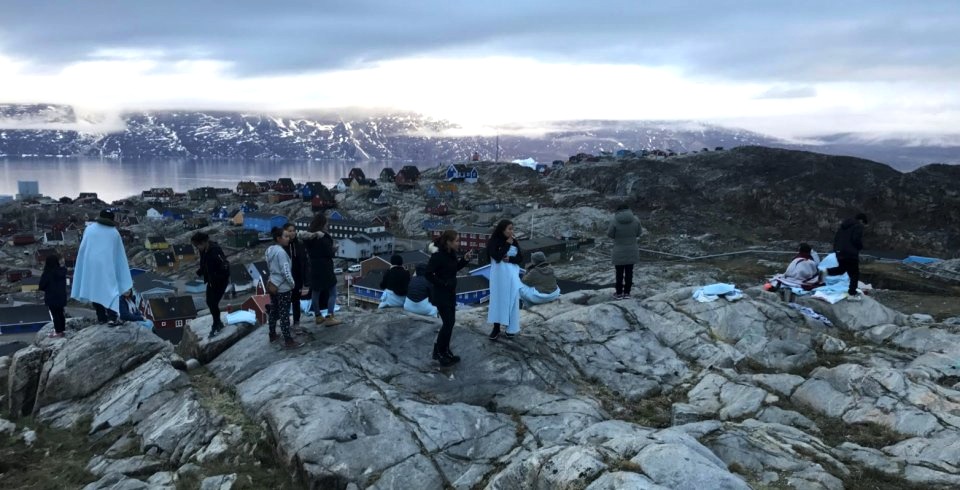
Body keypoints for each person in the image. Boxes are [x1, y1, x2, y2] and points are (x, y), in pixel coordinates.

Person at [71, 209, 132, 324]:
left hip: (91, 266)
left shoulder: (89, 230)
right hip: (107, 266)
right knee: (110, 290)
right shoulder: (114, 232)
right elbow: (119, 254)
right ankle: (112, 317)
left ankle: (101, 318)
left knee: (95, 290)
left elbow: (84, 250)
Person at [426, 230, 475, 366]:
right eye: (457, 241)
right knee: (447, 324)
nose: (459, 243)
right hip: (441, 295)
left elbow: (454, 269)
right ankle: (439, 353)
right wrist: (443, 283)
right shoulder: (438, 256)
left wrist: (465, 259)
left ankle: (445, 350)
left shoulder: (451, 254)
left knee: (450, 323)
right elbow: (428, 274)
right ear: (448, 242)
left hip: (450, 293)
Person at [265, 227, 303, 348]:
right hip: (283, 287)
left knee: (274, 309)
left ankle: (272, 334)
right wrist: (292, 284)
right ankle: (288, 340)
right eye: (285, 236)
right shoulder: (281, 253)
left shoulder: (269, 250)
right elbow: (286, 271)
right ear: (279, 238)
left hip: (272, 284)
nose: (288, 238)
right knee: (284, 313)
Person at [486, 220, 523, 340]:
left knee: (512, 299)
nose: (512, 231)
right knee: (498, 299)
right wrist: (507, 244)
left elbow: (520, 258)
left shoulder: (514, 241)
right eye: (509, 229)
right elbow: (496, 256)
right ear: (502, 230)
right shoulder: (494, 241)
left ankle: (511, 328)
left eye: (513, 229)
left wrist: (511, 260)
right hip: (499, 276)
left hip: (512, 275)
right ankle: (496, 328)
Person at [303, 214, 341, 326]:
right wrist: (334, 248)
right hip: (325, 267)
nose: (327, 225)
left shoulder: (309, 237)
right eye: (326, 223)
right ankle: (330, 316)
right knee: (332, 292)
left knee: (316, 292)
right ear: (322, 224)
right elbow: (329, 253)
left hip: (314, 267)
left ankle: (318, 316)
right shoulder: (323, 237)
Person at [192, 231, 230, 338]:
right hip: (211, 281)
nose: (197, 248)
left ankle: (216, 324)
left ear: (204, 242)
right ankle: (217, 323)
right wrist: (200, 272)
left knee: (213, 303)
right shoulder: (203, 250)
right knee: (210, 302)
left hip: (220, 281)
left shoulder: (215, 250)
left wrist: (217, 276)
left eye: (197, 245)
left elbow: (225, 266)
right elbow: (205, 264)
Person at [827, 213, 868, 300]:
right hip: (851, 253)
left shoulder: (842, 227)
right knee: (854, 274)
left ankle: (825, 272)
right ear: (861, 220)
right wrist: (860, 247)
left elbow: (836, 239)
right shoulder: (858, 226)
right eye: (864, 223)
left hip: (840, 252)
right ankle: (852, 294)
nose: (863, 226)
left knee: (841, 269)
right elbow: (856, 239)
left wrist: (837, 250)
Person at [607, 204, 642, 299]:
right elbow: (639, 233)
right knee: (629, 271)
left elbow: (610, 234)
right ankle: (627, 292)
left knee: (619, 272)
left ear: (618, 210)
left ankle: (618, 293)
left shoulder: (614, 221)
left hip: (618, 250)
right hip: (632, 250)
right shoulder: (636, 220)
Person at [282, 223, 309, 328]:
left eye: (293, 230)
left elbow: (305, 262)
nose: (292, 233)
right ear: (285, 232)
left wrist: (306, 279)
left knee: (296, 301)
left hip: (297, 278)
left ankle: (296, 322)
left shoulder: (300, 244)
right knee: (286, 301)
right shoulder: (283, 246)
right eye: (289, 230)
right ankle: (286, 323)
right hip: (286, 278)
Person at [38, 253, 67, 338]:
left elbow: (41, 286)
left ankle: (58, 331)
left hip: (51, 297)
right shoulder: (62, 271)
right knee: (61, 313)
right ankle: (62, 330)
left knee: (55, 315)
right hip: (61, 296)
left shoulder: (47, 273)